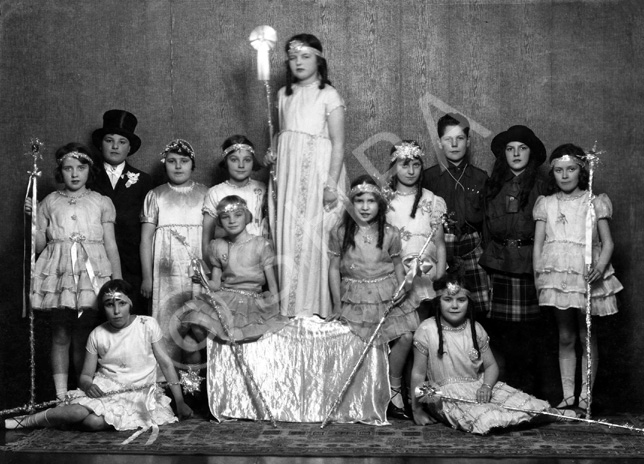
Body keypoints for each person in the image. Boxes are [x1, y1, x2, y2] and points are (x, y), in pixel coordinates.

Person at [5, 280, 192, 432]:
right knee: (76, 412)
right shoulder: (97, 334)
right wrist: (88, 385)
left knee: (93, 423)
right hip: (106, 389)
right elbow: (85, 376)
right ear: (103, 308)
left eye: (122, 304)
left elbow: (166, 364)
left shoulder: (147, 325)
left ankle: (61, 421)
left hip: (139, 394)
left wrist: (180, 401)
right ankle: (27, 421)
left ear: (131, 304)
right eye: (110, 305)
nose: (117, 311)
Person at [410, 274, 574, 434]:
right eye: (448, 300)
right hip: (444, 394)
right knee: (487, 418)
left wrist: (486, 386)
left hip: (478, 386)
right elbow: (418, 373)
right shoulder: (427, 329)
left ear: (469, 302)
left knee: (527, 404)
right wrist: (417, 409)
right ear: (438, 302)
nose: (454, 306)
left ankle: (550, 414)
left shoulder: (475, 328)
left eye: (461, 300)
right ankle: (514, 418)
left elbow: (491, 366)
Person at [28, 143, 122, 400]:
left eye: (80, 168)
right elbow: (38, 247)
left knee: (84, 333)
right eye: (68, 168)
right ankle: (60, 395)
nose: (74, 174)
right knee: (60, 333)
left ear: (89, 170)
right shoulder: (49, 202)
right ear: (60, 171)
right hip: (59, 272)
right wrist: (35, 222)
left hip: (90, 272)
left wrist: (118, 280)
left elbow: (110, 243)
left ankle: (81, 392)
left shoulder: (101, 202)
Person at [533, 143, 623, 411]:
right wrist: (539, 278)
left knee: (586, 335)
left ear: (581, 170)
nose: (564, 175)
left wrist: (600, 266)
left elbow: (608, 243)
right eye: (559, 170)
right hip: (557, 276)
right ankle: (568, 394)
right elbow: (538, 246)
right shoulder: (546, 204)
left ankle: (586, 394)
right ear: (552, 173)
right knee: (565, 336)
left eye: (570, 169)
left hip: (585, 276)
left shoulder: (594, 202)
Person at [264, 33, 348, 317]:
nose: (298, 62)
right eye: (292, 57)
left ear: (319, 60)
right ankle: (290, 308)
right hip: (288, 175)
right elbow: (283, 136)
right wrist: (272, 153)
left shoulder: (329, 95)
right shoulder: (282, 95)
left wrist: (331, 183)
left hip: (318, 174)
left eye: (305, 56)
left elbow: (338, 142)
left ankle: (316, 308)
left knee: (315, 238)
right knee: (288, 233)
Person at [328, 176, 419, 420]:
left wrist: (403, 287)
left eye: (371, 201)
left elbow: (398, 265)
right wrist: (337, 303)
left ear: (380, 204)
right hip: (355, 295)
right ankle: (369, 393)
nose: (366, 206)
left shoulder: (390, 233)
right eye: (360, 201)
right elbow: (334, 268)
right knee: (362, 341)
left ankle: (395, 388)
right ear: (350, 203)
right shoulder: (339, 232)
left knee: (406, 336)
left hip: (386, 292)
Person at [479, 125, 548, 396]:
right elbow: (485, 228)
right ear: (503, 155)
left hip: (529, 264)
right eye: (510, 149)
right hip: (498, 264)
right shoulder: (493, 186)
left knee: (528, 333)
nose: (516, 153)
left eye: (522, 148)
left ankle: (527, 392)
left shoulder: (542, 188)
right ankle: (502, 391)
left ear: (531, 153)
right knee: (500, 332)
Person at [179, 196, 287, 356]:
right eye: (225, 217)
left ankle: (231, 362)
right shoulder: (217, 245)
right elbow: (215, 283)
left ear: (247, 217)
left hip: (251, 299)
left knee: (244, 335)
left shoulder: (260, 244)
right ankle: (210, 360)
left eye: (238, 215)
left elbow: (272, 286)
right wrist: (203, 279)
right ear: (220, 222)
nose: (232, 220)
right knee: (196, 323)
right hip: (225, 297)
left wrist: (274, 306)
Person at [140, 139, 208, 367]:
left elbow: (212, 237)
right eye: (172, 161)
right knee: (167, 319)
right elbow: (146, 238)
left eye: (184, 161)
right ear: (164, 165)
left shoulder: (206, 194)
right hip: (165, 271)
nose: (178, 166)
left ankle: (199, 381)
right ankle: (167, 379)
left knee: (199, 323)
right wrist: (147, 277)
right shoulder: (155, 195)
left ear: (193, 165)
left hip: (197, 270)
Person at [422, 113, 489, 317]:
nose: (454, 144)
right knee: (440, 304)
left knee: (476, 307)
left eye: (460, 138)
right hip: (441, 248)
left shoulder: (481, 177)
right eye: (448, 139)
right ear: (439, 143)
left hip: (472, 248)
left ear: (468, 142)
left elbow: (487, 221)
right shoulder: (429, 177)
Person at [91, 109, 153, 314]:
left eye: (122, 141)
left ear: (130, 148)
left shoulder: (144, 181)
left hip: (132, 264)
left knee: (131, 319)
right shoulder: (86, 178)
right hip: (94, 260)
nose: (115, 146)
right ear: (101, 144)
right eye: (109, 140)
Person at [386, 140, 447, 319]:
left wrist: (440, 276)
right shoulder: (384, 201)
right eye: (404, 165)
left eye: (416, 165)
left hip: (425, 275)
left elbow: (440, 243)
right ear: (393, 167)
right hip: (394, 276)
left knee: (423, 329)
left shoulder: (432, 200)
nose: (411, 172)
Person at [202, 135, 267, 258]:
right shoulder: (215, 192)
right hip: (228, 258)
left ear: (253, 162)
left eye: (247, 160)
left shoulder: (262, 188)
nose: (241, 165)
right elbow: (207, 239)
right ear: (226, 161)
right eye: (234, 159)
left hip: (258, 256)